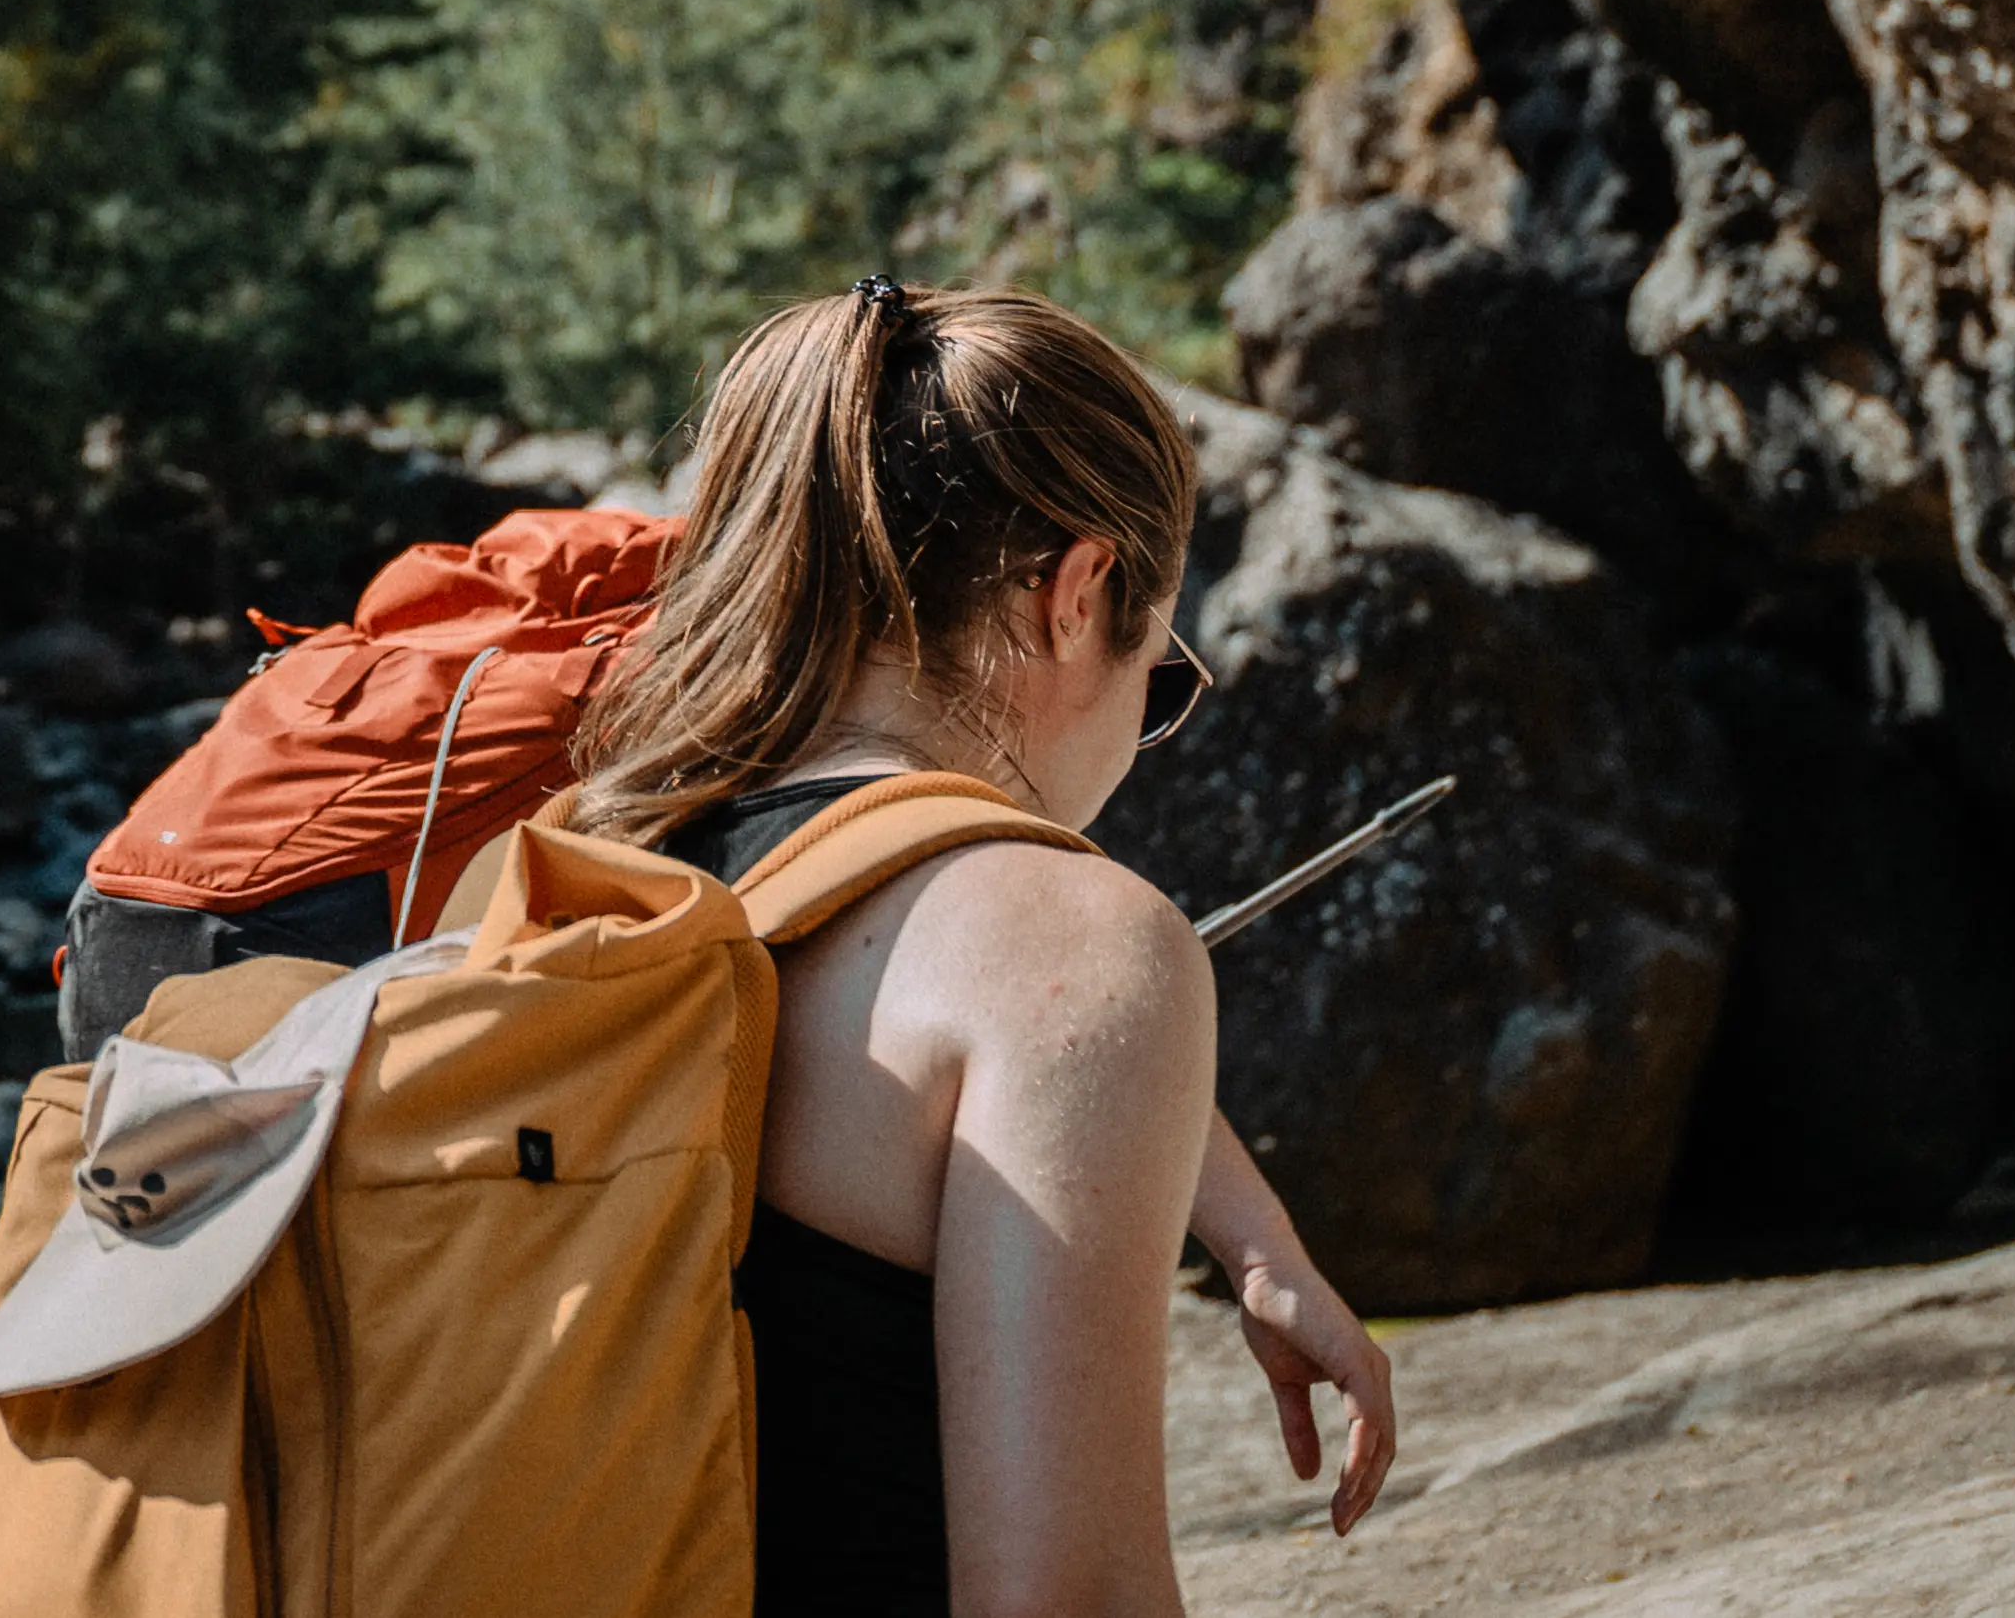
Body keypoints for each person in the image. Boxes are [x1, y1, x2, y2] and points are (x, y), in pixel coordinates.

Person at [566, 275, 1398, 1617]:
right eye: (1160, 673)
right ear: (1081, 592)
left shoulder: (598, 877)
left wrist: (1252, 1236)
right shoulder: (1070, 932)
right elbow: (1067, 1598)